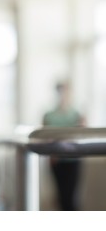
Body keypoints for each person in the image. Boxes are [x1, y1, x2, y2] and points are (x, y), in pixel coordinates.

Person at [42, 81, 85, 211]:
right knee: (61, 197)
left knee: (71, 197)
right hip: (57, 161)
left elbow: (81, 136)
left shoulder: (77, 114)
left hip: (73, 161)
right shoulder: (49, 115)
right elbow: (44, 138)